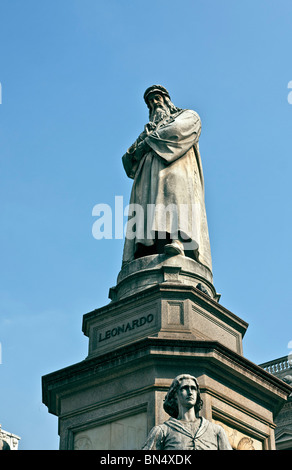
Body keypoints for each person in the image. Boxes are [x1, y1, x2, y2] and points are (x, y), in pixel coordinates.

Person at [122, 85, 212, 273]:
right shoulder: (148, 129)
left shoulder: (188, 115)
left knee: (175, 201)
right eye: (150, 102)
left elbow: (178, 130)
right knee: (149, 212)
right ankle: (149, 249)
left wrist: (147, 142)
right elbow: (128, 158)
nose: (154, 103)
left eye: (157, 98)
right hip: (147, 179)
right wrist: (143, 144)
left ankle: (178, 241)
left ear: (166, 98)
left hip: (176, 169)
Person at [142, 374, 232, 450]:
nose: (190, 392)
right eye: (185, 388)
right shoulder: (162, 431)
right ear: (175, 394)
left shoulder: (216, 431)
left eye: (193, 388)